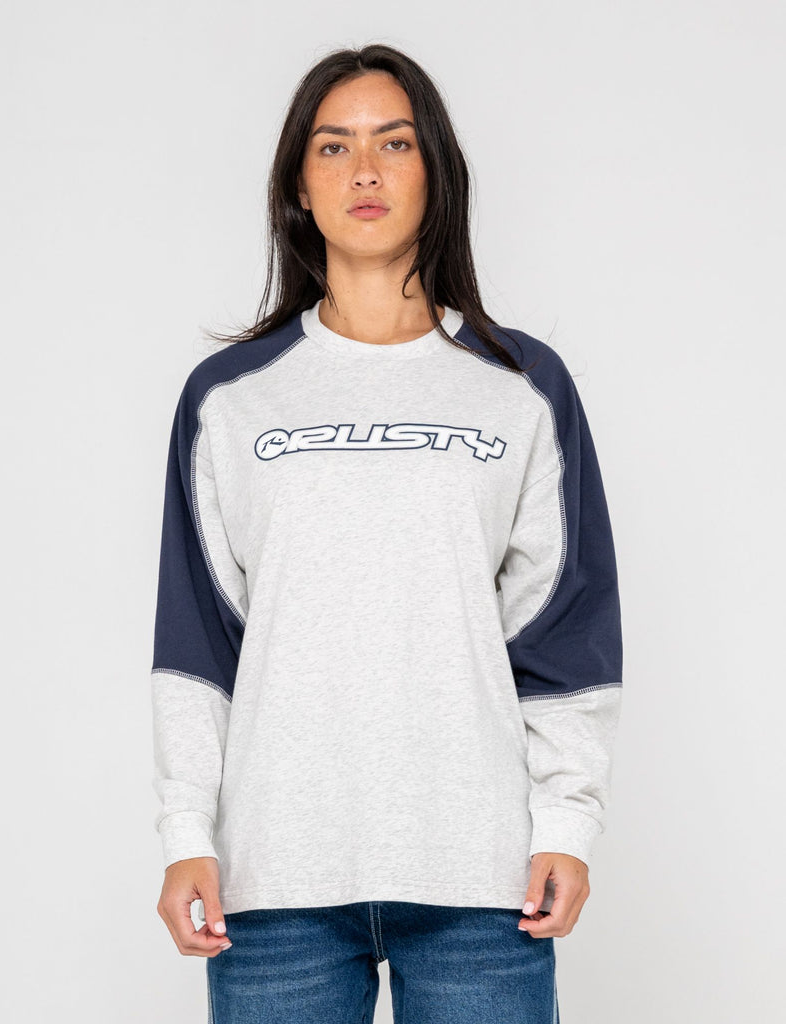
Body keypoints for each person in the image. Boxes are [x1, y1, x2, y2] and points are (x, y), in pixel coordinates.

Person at [150, 42, 623, 1024]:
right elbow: (197, 633)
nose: (364, 169)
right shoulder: (228, 398)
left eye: (393, 142)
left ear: (433, 171)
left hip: (480, 877)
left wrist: (566, 823)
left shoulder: (521, 386)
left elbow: (562, 620)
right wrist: (186, 831)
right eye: (333, 146)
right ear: (299, 187)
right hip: (276, 879)